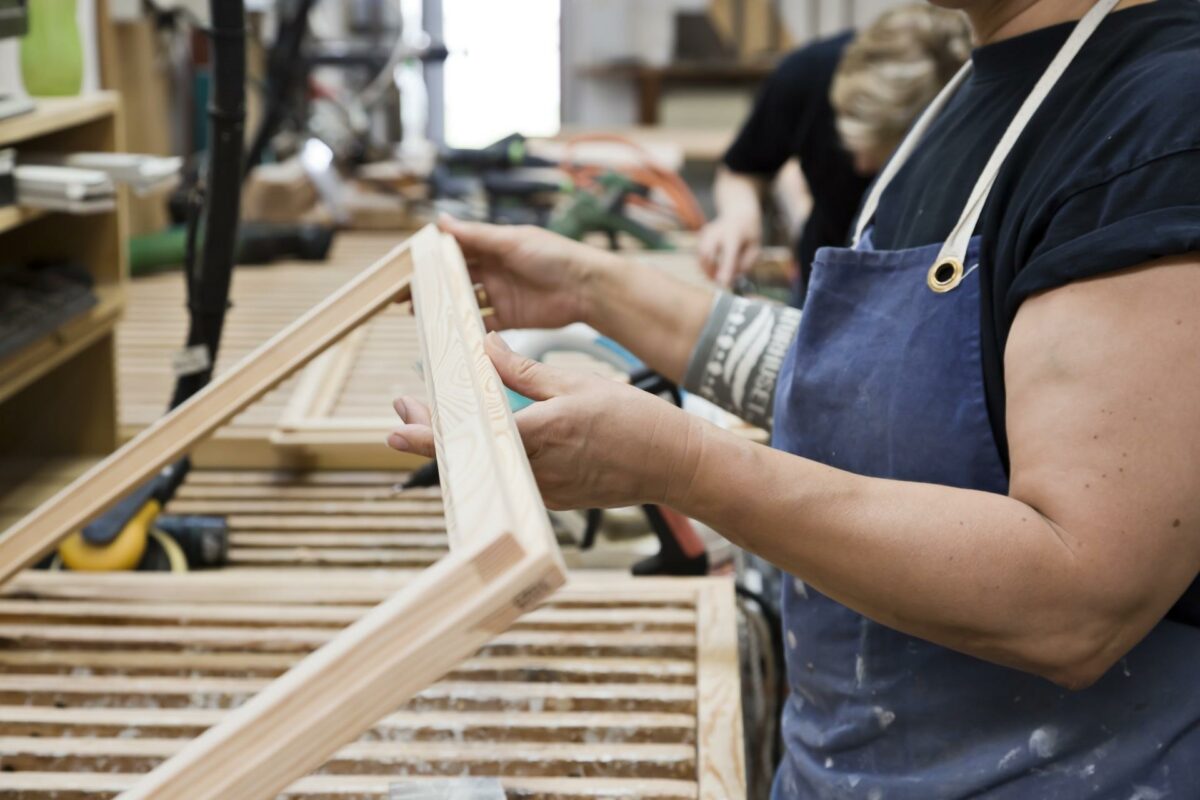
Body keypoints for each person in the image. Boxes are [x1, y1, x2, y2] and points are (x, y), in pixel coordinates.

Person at [391, 0, 1200, 796]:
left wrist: (684, 467)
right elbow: (889, 394)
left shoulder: (1162, 119)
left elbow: (1079, 601)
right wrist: (589, 286)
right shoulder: (980, 84)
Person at [697, 5, 971, 303]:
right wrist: (740, 216)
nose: (860, 165)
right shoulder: (807, 75)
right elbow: (743, 169)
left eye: (882, 155)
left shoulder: (969, 105)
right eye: (848, 144)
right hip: (821, 279)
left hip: (926, 288)